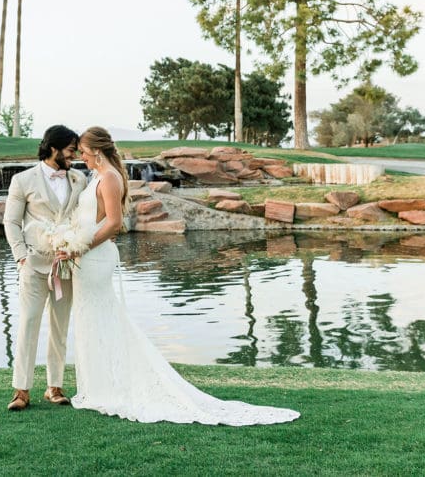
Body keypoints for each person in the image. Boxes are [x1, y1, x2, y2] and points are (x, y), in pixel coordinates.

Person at [65, 126, 300, 426]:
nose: (81, 157)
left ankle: (110, 387)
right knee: (91, 320)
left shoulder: (109, 177)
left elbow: (113, 223)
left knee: (100, 318)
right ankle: (99, 385)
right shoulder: (97, 176)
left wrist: (79, 247)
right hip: (86, 257)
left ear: (96, 151)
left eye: (83, 152)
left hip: (94, 258)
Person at [2, 125, 88, 411]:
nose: (74, 156)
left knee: (60, 328)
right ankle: (21, 390)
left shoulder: (79, 180)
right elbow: (11, 222)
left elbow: (83, 218)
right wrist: (21, 257)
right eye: (71, 150)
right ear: (54, 148)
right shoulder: (22, 180)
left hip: (66, 267)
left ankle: (55, 387)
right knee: (28, 324)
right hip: (34, 266)